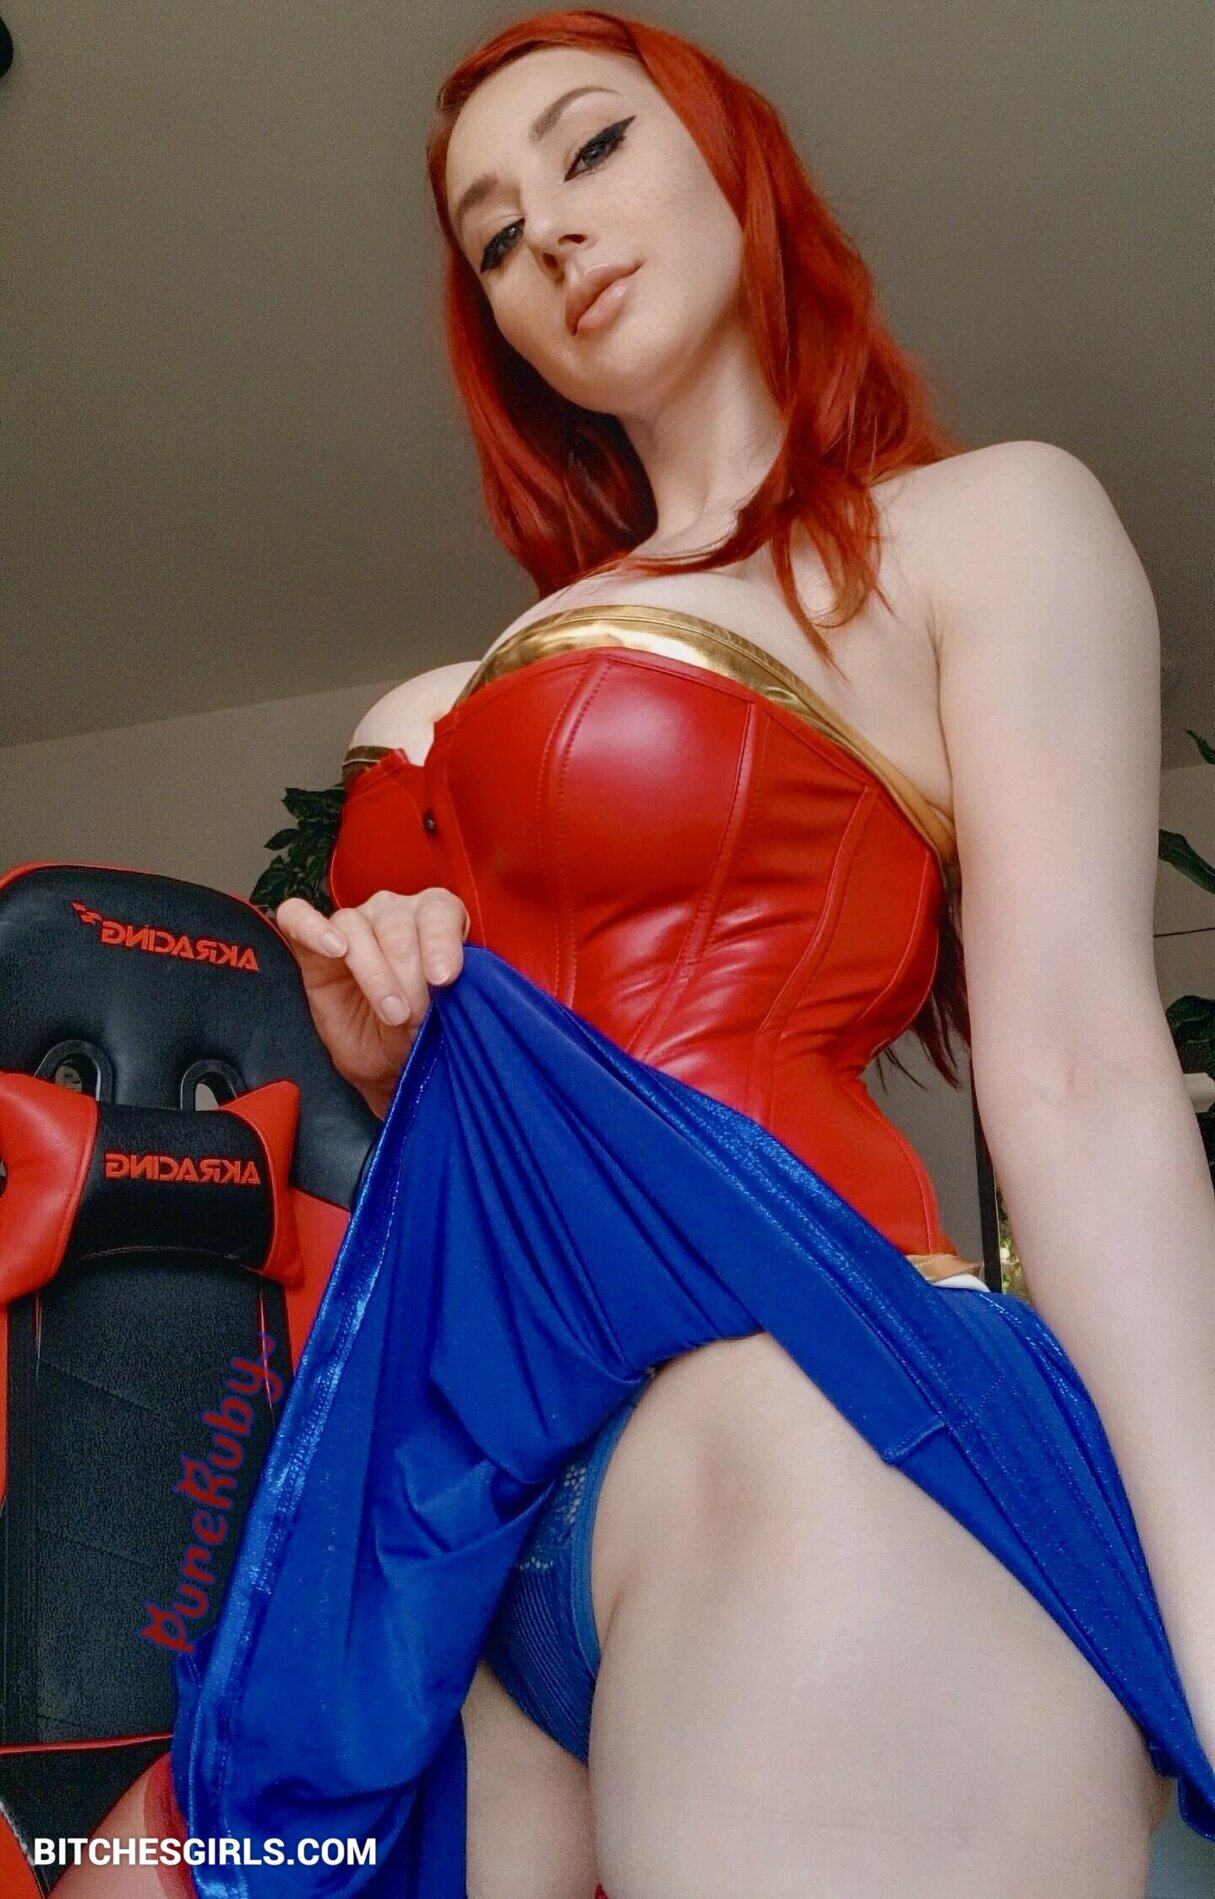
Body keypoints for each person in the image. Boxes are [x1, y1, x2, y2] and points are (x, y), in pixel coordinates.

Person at [69, 11, 1215, 1899]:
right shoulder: (429, 712)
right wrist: (387, 1050)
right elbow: (457, 1116)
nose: (552, 235)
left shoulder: (982, 531)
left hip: (828, 1412)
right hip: (465, 1509)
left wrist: (1203, 1616)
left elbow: (1082, 1070)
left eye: (592, 149)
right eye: (494, 237)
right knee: (129, 1875)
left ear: (729, 159)